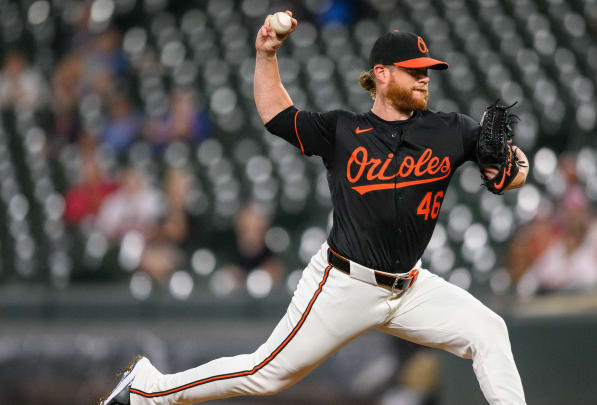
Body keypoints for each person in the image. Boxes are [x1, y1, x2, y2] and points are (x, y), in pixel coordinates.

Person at [101, 11, 529, 405]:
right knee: (264, 373)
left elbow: (514, 167)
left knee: (489, 330)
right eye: (414, 72)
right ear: (381, 74)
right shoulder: (343, 129)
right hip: (346, 283)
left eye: (428, 72)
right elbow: (276, 115)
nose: (424, 80)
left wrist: (514, 168)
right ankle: (145, 388)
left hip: (411, 286)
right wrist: (266, 54)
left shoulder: (451, 130)